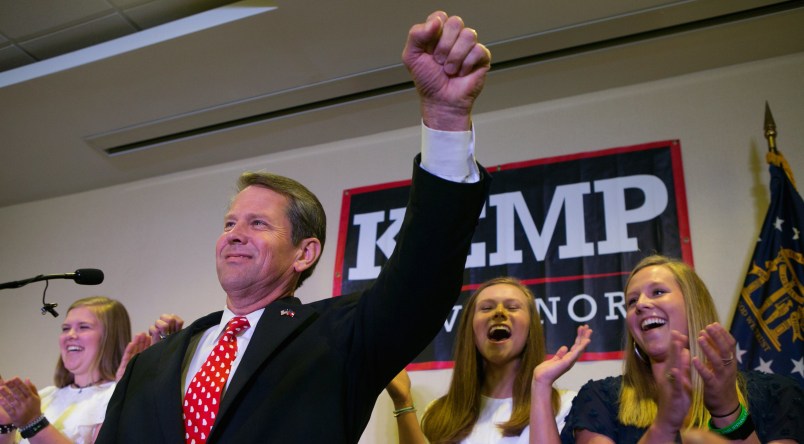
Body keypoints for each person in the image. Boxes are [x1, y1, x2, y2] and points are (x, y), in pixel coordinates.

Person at [96, 10, 492, 444]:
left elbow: (424, 272)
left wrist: (446, 120)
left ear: (305, 252)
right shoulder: (150, 364)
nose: (234, 233)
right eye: (230, 223)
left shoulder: (342, 338)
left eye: (258, 223)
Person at [560, 255, 804, 443]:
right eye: (632, 301)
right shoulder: (601, 398)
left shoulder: (778, 394)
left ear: (694, 306)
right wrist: (664, 425)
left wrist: (727, 411)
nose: (641, 305)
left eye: (657, 292)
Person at [385, 277, 593, 444]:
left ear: (531, 329)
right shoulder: (439, 414)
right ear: (471, 329)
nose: (499, 313)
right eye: (486, 308)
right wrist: (403, 401)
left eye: (512, 307)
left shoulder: (567, 407)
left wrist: (540, 384)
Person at [0, 296, 183, 444]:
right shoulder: (44, 396)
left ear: (110, 338)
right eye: (65, 328)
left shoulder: (117, 395)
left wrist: (34, 422)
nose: (70, 335)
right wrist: (5, 423)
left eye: (83, 327)